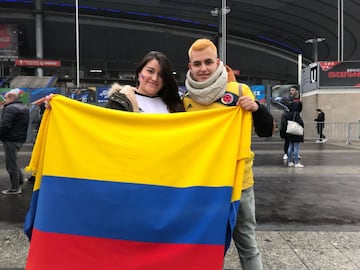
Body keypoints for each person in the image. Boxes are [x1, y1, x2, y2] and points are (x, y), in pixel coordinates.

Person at [183, 38, 274, 270]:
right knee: (207, 245)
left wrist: (258, 108)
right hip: (203, 185)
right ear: (189, 67)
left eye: (208, 62)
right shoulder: (186, 101)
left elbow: (266, 131)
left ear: (219, 63)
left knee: (246, 243)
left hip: (239, 183)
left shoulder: (240, 91)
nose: (203, 68)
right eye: (197, 64)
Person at [0, 88, 30, 194]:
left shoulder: (10, 109)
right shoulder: (24, 108)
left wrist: (1, 136)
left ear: (11, 97)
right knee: (14, 161)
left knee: (10, 164)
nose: (5, 100)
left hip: (10, 139)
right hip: (19, 138)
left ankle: (15, 188)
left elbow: (5, 125)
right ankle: (20, 180)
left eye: (6, 98)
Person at [280, 101, 304, 168]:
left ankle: (290, 162)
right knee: (296, 148)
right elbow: (300, 122)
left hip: (289, 132)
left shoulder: (287, 114)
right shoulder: (296, 114)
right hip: (296, 132)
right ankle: (296, 162)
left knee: (290, 147)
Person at [283, 85, 302, 160]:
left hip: (295, 119)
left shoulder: (299, 99)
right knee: (288, 139)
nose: (292, 92)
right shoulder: (289, 99)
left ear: (297, 91)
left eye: (293, 90)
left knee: (295, 138)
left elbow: (300, 109)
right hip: (289, 119)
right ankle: (286, 153)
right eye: (291, 90)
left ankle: (295, 153)